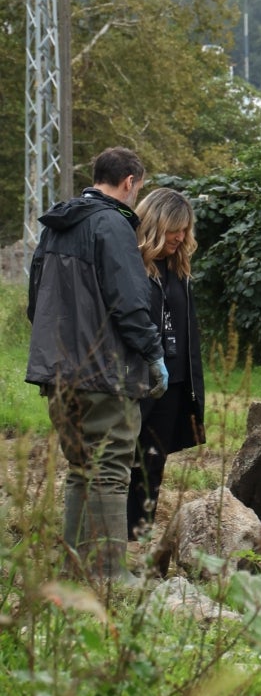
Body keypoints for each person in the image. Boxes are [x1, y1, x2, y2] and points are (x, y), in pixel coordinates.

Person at [26, 146, 168, 585]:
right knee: (109, 469)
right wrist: (153, 353)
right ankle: (108, 574)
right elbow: (129, 302)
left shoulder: (55, 227)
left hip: (57, 370)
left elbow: (35, 301)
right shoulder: (113, 225)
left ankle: (74, 569)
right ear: (130, 182)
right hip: (104, 373)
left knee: (81, 469)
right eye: (138, 187)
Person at [127, 188, 206, 539]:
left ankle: (139, 535)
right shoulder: (129, 263)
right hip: (135, 379)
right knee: (124, 458)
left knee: (153, 462)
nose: (180, 237)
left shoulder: (179, 268)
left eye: (185, 229)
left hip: (172, 382)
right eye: (175, 228)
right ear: (155, 223)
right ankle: (114, 536)